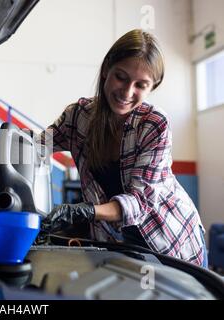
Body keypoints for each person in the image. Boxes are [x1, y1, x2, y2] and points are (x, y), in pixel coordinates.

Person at [40, 29, 207, 268]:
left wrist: (83, 211)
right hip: (117, 248)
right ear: (107, 68)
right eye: (121, 76)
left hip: (172, 246)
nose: (127, 92)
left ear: (153, 86)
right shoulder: (78, 116)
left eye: (140, 84)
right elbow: (36, 147)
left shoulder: (154, 124)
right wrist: (11, 142)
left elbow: (139, 202)